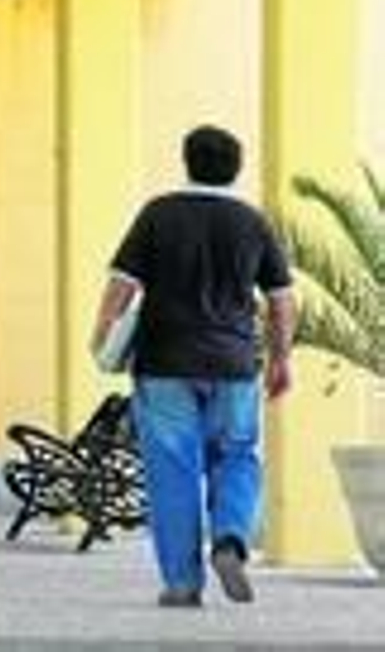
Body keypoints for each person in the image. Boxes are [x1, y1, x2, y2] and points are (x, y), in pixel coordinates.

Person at [92, 125, 295, 608]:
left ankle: (182, 583)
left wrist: (102, 332)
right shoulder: (252, 222)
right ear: (237, 167)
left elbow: (121, 285)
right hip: (233, 364)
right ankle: (229, 538)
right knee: (238, 456)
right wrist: (282, 358)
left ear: (187, 160)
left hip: (163, 363)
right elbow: (283, 302)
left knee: (173, 472)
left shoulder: (158, 215)